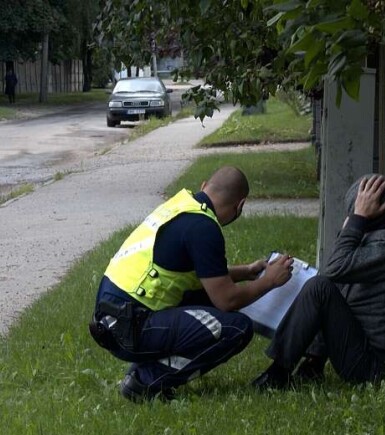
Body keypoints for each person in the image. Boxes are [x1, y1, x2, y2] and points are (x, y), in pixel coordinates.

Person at [89, 166, 294, 402]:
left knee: (205, 302)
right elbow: (226, 300)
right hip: (129, 328)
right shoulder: (204, 228)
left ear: (204, 186)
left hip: (112, 319)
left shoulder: (180, 207)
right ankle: (145, 381)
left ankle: (144, 371)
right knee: (236, 328)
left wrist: (247, 271)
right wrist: (269, 281)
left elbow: (196, 274)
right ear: (240, 206)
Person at [252, 174, 385, 389]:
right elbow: (337, 274)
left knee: (319, 287)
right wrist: (357, 222)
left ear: (378, 213)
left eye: (357, 212)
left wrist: (357, 221)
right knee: (330, 286)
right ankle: (314, 362)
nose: (351, 218)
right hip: (369, 350)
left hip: (375, 368)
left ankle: (278, 374)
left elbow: (334, 268)